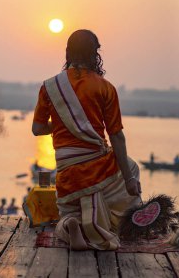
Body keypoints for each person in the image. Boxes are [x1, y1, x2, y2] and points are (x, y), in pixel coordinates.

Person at [32, 29, 142, 251]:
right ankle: (106, 225)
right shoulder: (105, 87)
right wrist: (129, 180)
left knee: (66, 214)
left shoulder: (49, 87)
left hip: (67, 173)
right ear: (95, 54)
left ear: (68, 53)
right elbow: (116, 135)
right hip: (99, 169)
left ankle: (72, 223)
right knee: (131, 167)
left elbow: (37, 129)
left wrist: (60, 124)